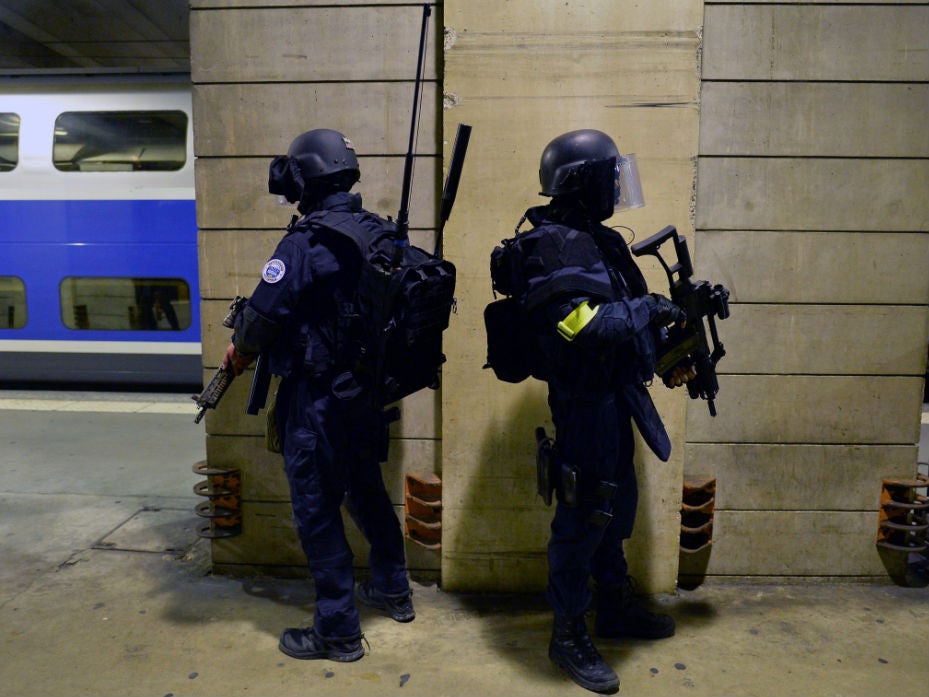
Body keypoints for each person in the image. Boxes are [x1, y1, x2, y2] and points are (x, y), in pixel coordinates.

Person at [221, 128, 415, 663]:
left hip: (318, 400)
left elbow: (260, 318)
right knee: (367, 490)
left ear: (305, 181)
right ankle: (394, 590)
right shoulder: (381, 233)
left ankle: (337, 630)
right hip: (367, 398)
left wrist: (240, 349)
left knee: (316, 508)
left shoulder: (305, 244)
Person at [514, 129, 694, 694]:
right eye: (609, 177)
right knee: (582, 516)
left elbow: (627, 327)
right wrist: (651, 308)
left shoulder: (603, 242)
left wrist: (671, 357)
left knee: (614, 513)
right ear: (583, 182)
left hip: (616, 397)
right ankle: (567, 634)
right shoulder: (553, 245)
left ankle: (612, 607)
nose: (617, 188)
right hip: (583, 403)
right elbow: (583, 326)